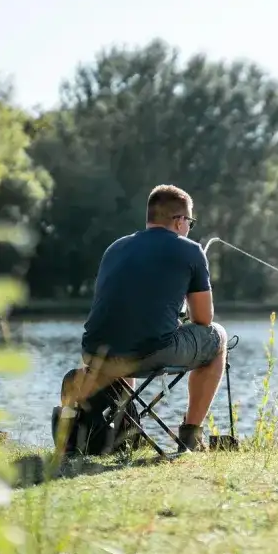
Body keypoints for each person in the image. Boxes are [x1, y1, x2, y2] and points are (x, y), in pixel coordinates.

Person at [57, 184, 227, 453]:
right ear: (180, 220)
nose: (188, 228)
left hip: (94, 353)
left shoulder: (115, 248)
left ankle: (123, 429)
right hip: (149, 352)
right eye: (189, 223)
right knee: (217, 337)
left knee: (128, 338)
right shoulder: (191, 250)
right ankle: (190, 437)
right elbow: (203, 319)